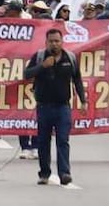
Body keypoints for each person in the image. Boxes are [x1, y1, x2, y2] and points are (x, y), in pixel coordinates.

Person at [24, 28, 86, 186]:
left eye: (57, 41)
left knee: (63, 140)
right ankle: (44, 173)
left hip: (63, 107)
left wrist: (83, 100)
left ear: (62, 42)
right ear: (46, 42)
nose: (54, 44)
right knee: (43, 142)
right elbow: (27, 74)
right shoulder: (39, 57)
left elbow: (77, 79)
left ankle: (64, 173)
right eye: (51, 41)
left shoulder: (69, 58)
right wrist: (42, 66)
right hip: (44, 107)